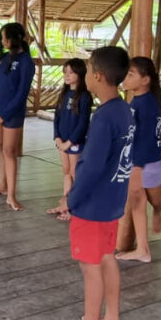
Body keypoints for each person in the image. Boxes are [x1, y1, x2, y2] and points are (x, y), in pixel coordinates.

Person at [49, 46, 134, 320]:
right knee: (107, 257)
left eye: (86, 68)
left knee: (91, 267)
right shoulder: (124, 110)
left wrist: (71, 201)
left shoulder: (104, 117)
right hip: (112, 202)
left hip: (94, 206)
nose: (84, 74)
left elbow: (92, 166)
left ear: (97, 76)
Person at [116, 57, 161, 264]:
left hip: (146, 162)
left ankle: (157, 213)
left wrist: (136, 165)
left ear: (145, 80)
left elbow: (145, 138)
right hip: (140, 161)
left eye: (130, 74)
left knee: (153, 199)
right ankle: (143, 249)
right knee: (139, 203)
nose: (125, 78)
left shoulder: (146, 105)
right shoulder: (137, 102)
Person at [0, 22, 35, 211]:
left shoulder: (26, 62)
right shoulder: (2, 59)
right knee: (1, 148)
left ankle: (11, 195)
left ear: (15, 38)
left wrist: (4, 115)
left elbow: (21, 94)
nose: (3, 41)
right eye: (2, 38)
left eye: (5, 37)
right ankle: (3, 185)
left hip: (11, 115)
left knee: (10, 152)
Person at [48, 59, 92, 216]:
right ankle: (65, 204)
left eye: (71, 72)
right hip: (62, 141)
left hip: (74, 143)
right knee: (66, 171)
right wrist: (57, 137)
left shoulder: (84, 97)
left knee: (75, 172)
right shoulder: (64, 94)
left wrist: (70, 142)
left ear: (80, 74)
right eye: (65, 72)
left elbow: (83, 123)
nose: (67, 75)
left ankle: (75, 206)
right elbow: (57, 117)